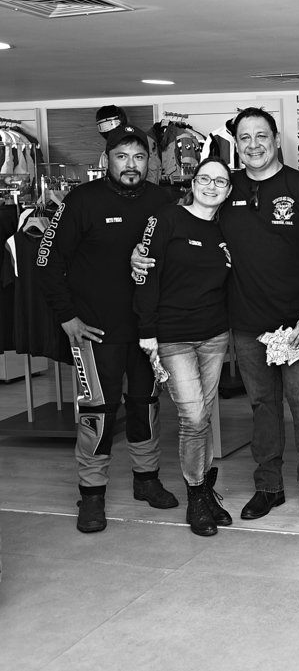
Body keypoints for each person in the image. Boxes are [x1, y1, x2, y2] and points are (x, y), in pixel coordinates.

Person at [133, 107, 299, 525]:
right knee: (262, 406)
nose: (254, 145)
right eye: (245, 138)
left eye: (261, 136)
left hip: (296, 322)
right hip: (245, 323)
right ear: (236, 145)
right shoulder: (225, 187)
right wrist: (142, 254)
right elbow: (188, 225)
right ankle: (269, 487)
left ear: (276, 139)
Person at [38, 124, 178, 534]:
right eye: (122, 156)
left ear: (149, 162)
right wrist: (66, 316)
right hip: (94, 331)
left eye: (139, 157)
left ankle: (146, 480)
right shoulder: (81, 200)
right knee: (98, 412)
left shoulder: (163, 200)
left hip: (147, 330)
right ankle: (92, 494)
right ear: (106, 160)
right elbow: (46, 260)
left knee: (146, 406)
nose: (130, 165)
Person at [133, 157, 234, 536]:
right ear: (192, 184)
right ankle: (196, 497)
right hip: (173, 336)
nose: (211, 186)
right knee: (192, 418)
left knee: (202, 416)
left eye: (220, 182)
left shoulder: (227, 229)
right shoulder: (167, 219)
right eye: (204, 179)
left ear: (228, 190)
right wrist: (147, 330)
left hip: (215, 335)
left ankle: (205, 492)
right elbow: (145, 275)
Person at [95, 105, 161, 185]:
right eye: (103, 126)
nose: (108, 129)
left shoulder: (144, 144)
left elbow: (154, 174)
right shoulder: (105, 155)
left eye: (111, 124)